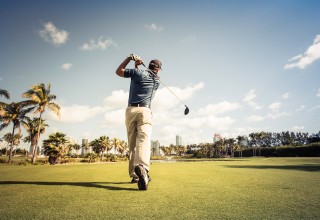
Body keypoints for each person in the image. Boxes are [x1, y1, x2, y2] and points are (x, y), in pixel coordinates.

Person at [116, 54, 162, 190]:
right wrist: (138, 67)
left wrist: (130, 59)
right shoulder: (156, 82)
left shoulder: (137, 72)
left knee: (132, 143)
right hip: (145, 111)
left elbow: (119, 71)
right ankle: (142, 167)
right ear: (158, 70)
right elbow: (150, 76)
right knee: (143, 139)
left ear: (148, 66)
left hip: (130, 111)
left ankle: (134, 175)